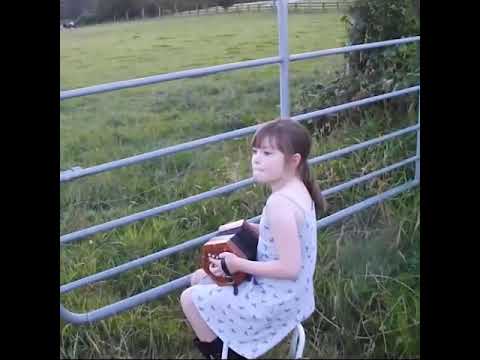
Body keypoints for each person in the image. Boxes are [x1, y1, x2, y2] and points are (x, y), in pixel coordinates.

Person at [180, 118, 327, 359]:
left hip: (274, 299)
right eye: (255, 151)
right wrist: (248, 230)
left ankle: (226, 355)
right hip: (296, 295)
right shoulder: (299, 189)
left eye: (268, 153)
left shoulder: (279, 203)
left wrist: (237, 264)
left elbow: (290, 268)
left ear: (293, 160)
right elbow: (286, 236)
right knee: (200, 277)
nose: (257, 158)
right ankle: (229, 346)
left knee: (190, 299)